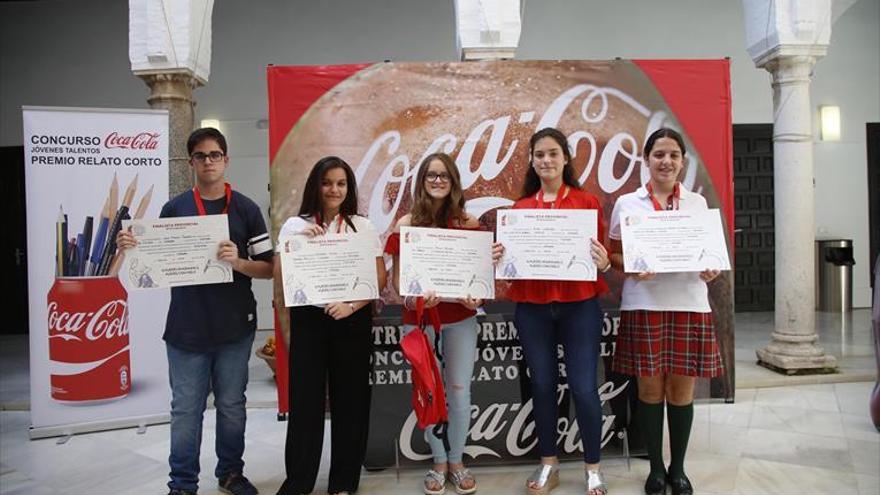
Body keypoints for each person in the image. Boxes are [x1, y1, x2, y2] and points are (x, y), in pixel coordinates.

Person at [117, 127, 274, 495]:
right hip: (186, 329)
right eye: (201, 156)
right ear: (191, 163)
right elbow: (152, 262)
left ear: (226, 159)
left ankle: (230, 474)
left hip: (235, 328)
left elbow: (269, 268)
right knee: (186, 410)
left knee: (232, 406)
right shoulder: (174, 209)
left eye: (215, 154)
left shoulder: (247, 209)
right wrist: (132, 247)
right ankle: (183, 483)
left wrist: (238, 262)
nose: (208, 161)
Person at [492, 127, 611, 495]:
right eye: (539, 154)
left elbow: (601, 256)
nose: (546, 160)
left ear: (565, 159)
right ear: (532, 160)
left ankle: (593, 468)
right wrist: (500, 257)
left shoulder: (586, 203)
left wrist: (604, 262)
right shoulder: (520, 210)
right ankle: (549, 464)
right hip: (532, 309)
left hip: (580, 306)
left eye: (553, 154)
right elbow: (510, 265)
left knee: (584, 388)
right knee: (542, 386)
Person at [608, 127, 724, 495]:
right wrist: (630, 265)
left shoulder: (697, 204)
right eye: (659, 154)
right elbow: (612, 255)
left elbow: (709, 256)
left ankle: (679, 468)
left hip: (689, 301)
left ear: (682, 161)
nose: (667, 161)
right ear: (647, 160)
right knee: (650, 389)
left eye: (674, 155)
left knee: (681, 390)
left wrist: (712, 268)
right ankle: (655, 469)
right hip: (644, 302)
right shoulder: (629, 203)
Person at [274, 156, 386, 495]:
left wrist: (352, 305)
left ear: (348, 188)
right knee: (305, 402)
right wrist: (300, 246)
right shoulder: (295, 225)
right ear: (315, 186)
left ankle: (343, 483)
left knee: (351, 402)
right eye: (327, 183)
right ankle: (299, 482)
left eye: (340, 183)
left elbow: (378, 277)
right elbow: (281, 276)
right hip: (310, 319)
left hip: (351, 319)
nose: (334, 189)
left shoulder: (362, 227)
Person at [385, 152, 483, 495]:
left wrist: (477, 298)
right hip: (420, 320)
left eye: (444, 176)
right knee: (429, 391)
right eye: (431, 176)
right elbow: (398, 284)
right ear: (422, 182)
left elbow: (480, 281)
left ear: (454, 182)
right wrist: (416, 300)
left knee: (459, 391)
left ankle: (456, 461)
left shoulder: (470, 224)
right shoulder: (406, 224)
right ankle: (438, 462)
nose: (438, 181)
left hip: (461, 319)